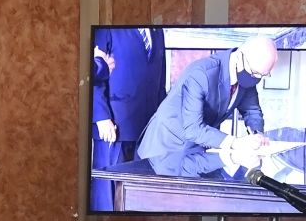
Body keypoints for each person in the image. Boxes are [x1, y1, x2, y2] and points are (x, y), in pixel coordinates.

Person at [136, 36, 277, 178]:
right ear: (239, 57)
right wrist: (236, 143)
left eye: (263, 75)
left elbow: (252, 110)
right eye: (255, 73)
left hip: (198, 149)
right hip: (167, 149)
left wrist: (257, 135)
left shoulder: (248, 74)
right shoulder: (201, 74)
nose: (256, 78)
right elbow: (193, 129)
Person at [89, 27, 166, 210]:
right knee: (107, 197)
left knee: (138, 197)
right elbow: (92, 73)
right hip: (113, 127)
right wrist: (101, 117)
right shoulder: (108, 28)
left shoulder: (157, 31)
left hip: (147, 129)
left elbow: (160, 82)